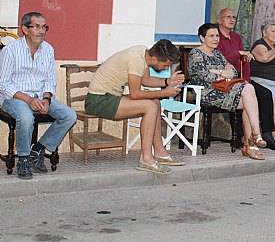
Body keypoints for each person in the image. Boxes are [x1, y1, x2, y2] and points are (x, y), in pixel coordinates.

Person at [86, 39, 185, 174]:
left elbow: (145, 80)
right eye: (165, 65)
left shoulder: (143, 52)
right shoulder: (136, 60)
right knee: (150, 107)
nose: (166, 68)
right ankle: (145, 159)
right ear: (155, 59)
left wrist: (167, 81)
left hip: (110, 97)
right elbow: (135, 94)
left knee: (155, 102)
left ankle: (160, 153)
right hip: (98, 100)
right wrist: (164, 92)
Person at [0, 12, 77, 180]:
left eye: (44, 27)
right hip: (14, 98)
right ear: (25, 29)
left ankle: (38, 148)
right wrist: (28, 99)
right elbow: (4, 84)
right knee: (26, 117)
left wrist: (47, 99)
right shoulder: (10, 51)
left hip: (39, 96)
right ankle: (24, 159)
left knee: (69, 115)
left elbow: (50, 80)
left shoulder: (48, 49)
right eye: (37, 27)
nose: (41, 31)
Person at [188, 23, 268, 160]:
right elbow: (205, 76)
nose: (216, 39)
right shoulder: (196, 53)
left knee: (248, 96)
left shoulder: (217, 53)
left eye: (217, 36)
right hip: (206, 93)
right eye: (211, 36)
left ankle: (252, 140)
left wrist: (218, 72)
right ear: (202, 38)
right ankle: (253, 139)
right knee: (248, 91)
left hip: (222, 90)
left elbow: (233, 72)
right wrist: (222, 72)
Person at [216, 8, 275, 151]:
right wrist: (238, 53)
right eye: (228, 17)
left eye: (234, 17)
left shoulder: (236, 37)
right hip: (225, 80)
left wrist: (246, 79)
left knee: (265, 94)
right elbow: (221, 61)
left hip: (241, 79)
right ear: (219, 20)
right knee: (245, 97)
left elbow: (245, 60)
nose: (232, 19)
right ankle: (242, 137)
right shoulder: (215, 38)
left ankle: (267, 135)